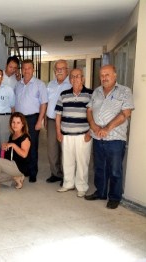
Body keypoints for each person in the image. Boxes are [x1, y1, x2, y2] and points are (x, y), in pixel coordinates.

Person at [85, 64, 135, 209]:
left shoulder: (125, 91)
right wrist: (93, 126)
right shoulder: (97, 91)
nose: (104, 78)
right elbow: (89, 110)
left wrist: (107, 128)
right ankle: (100, 192)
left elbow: (126, 113)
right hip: (97, 137)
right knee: (99, 167)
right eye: (102, 75)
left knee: (114, 169)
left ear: (115, 75)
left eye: (107, 74)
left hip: (115, 138)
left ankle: (114, 197)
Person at [55, 69, 93, 197]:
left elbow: (95, 116)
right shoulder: (64, 94)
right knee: (67, 160)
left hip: (83, 135)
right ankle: (68, 183)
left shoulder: (90, 94)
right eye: (72, 77)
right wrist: (58, 132)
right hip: (66, 134)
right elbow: (58, 115)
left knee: (82, 162)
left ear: (82, 78)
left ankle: (82, 186)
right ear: (70, 79)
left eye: (77, 76)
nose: (75, 79)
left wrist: (90, 132)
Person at [14, 59, 48, 182]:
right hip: (19, 120)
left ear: (33, 69)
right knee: (20, 145)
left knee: (32, 146)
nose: (26, 70)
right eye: (24, 68)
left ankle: (33, 172)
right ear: (21, 70)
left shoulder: (40, 84)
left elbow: (44, 104)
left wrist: (40, 121)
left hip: (33, 118)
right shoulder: (18, 84)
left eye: (29, 68)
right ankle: (24, 170)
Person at [0, 112, 30, 196]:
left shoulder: (25, 137)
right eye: (13, 122)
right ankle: (17, 178)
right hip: (12, 164)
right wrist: (5, 145)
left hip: (19, 167)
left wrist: (13, 145)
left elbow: (24, 154)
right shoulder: (13, 135)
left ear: (23, 124)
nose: (15, 125)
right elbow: (9, 147)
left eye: (18, 123)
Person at [45, 59, 71, 184]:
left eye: (62, 68)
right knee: (52, 149)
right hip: (51, 121)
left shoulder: (71, 84)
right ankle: (55, 173)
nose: (59, 71)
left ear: (67, 70)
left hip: (66, 122)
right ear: (54, 71)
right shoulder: (50, 84)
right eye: (57, 69)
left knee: (65, 149)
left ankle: (67, 176)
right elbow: (46, 103)